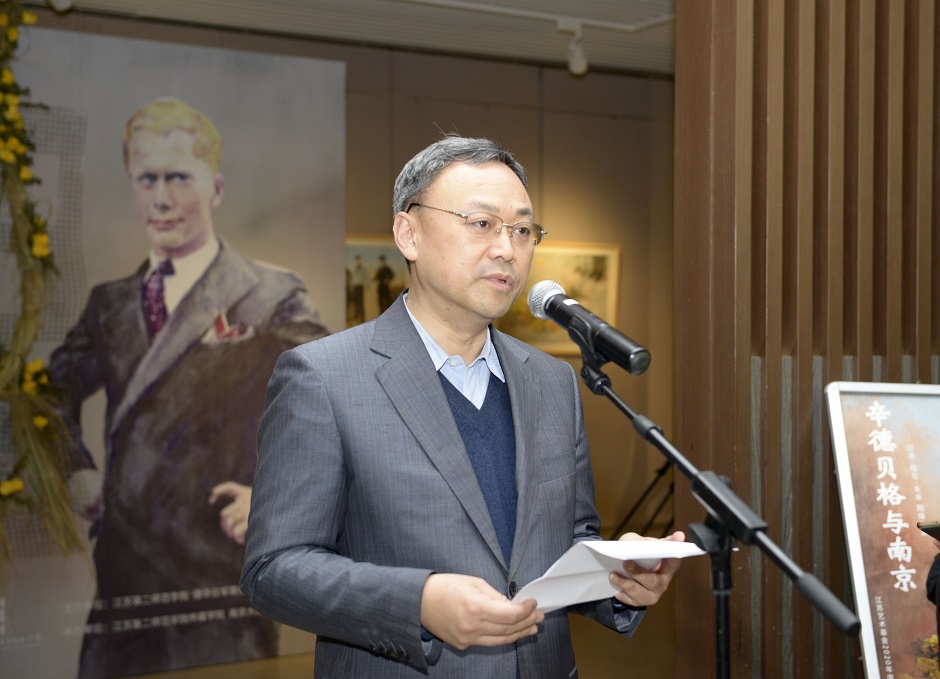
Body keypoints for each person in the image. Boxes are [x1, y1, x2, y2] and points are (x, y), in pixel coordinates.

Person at [241, 135, 684, 678]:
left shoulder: (552, 382)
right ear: (409, 234)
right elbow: (273, 570)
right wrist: (419, 603)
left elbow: (569, 541)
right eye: (482, 223)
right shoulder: (323, 377)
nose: (507, 249)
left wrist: (615, 577)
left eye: (522, 230)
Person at [50, 97, 329, 678]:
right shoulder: (110, 304)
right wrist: (75, 470)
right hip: (122, 591)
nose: (161, 198)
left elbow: (332, 401)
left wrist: (274, 497)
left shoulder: (268, 295)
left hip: (220, 590)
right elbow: (51, 393)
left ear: (215, 189)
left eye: (178, 177)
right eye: (146, 179)